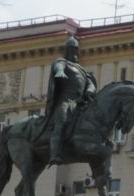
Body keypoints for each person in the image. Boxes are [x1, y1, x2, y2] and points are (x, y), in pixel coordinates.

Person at [41, 34, 97, 165]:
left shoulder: (82, 70)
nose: (74, 52)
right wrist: (60, 71)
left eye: (75, 49)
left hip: (80, 103)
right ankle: (54, 153)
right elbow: (57, 66)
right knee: (62, 119)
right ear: (67, 50)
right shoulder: (62, 62)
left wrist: (89, 91)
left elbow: (90, 83)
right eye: (71, 49)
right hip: (65, 101)